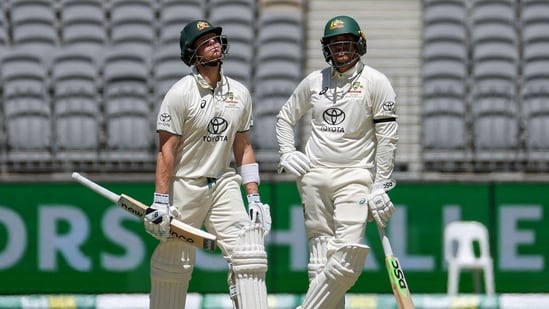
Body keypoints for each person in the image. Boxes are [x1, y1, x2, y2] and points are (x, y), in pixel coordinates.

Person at [143, 20, 271, 309]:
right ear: (193, 52)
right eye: (205, 41)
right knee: (175, 262)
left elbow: (244, 147)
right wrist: (161, 201)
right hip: (186, 185)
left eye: (216, 38)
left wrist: (254, 197)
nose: (214, 43)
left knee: (249, 253)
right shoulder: (180, 94)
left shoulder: (239, 93)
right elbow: (166, 151)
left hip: (223, 182)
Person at [276, 15, 399, 309]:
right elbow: (285, 118)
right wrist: (286, 152)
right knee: (319, 257)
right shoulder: (314, 81)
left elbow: (388, 138)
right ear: (326, 49)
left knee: (346, 256)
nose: (341, 50)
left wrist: (381, 184)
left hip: (355, 176)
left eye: (346, 43)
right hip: (313, 175)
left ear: (359, 45)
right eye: (334, 44)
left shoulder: (376, 83)